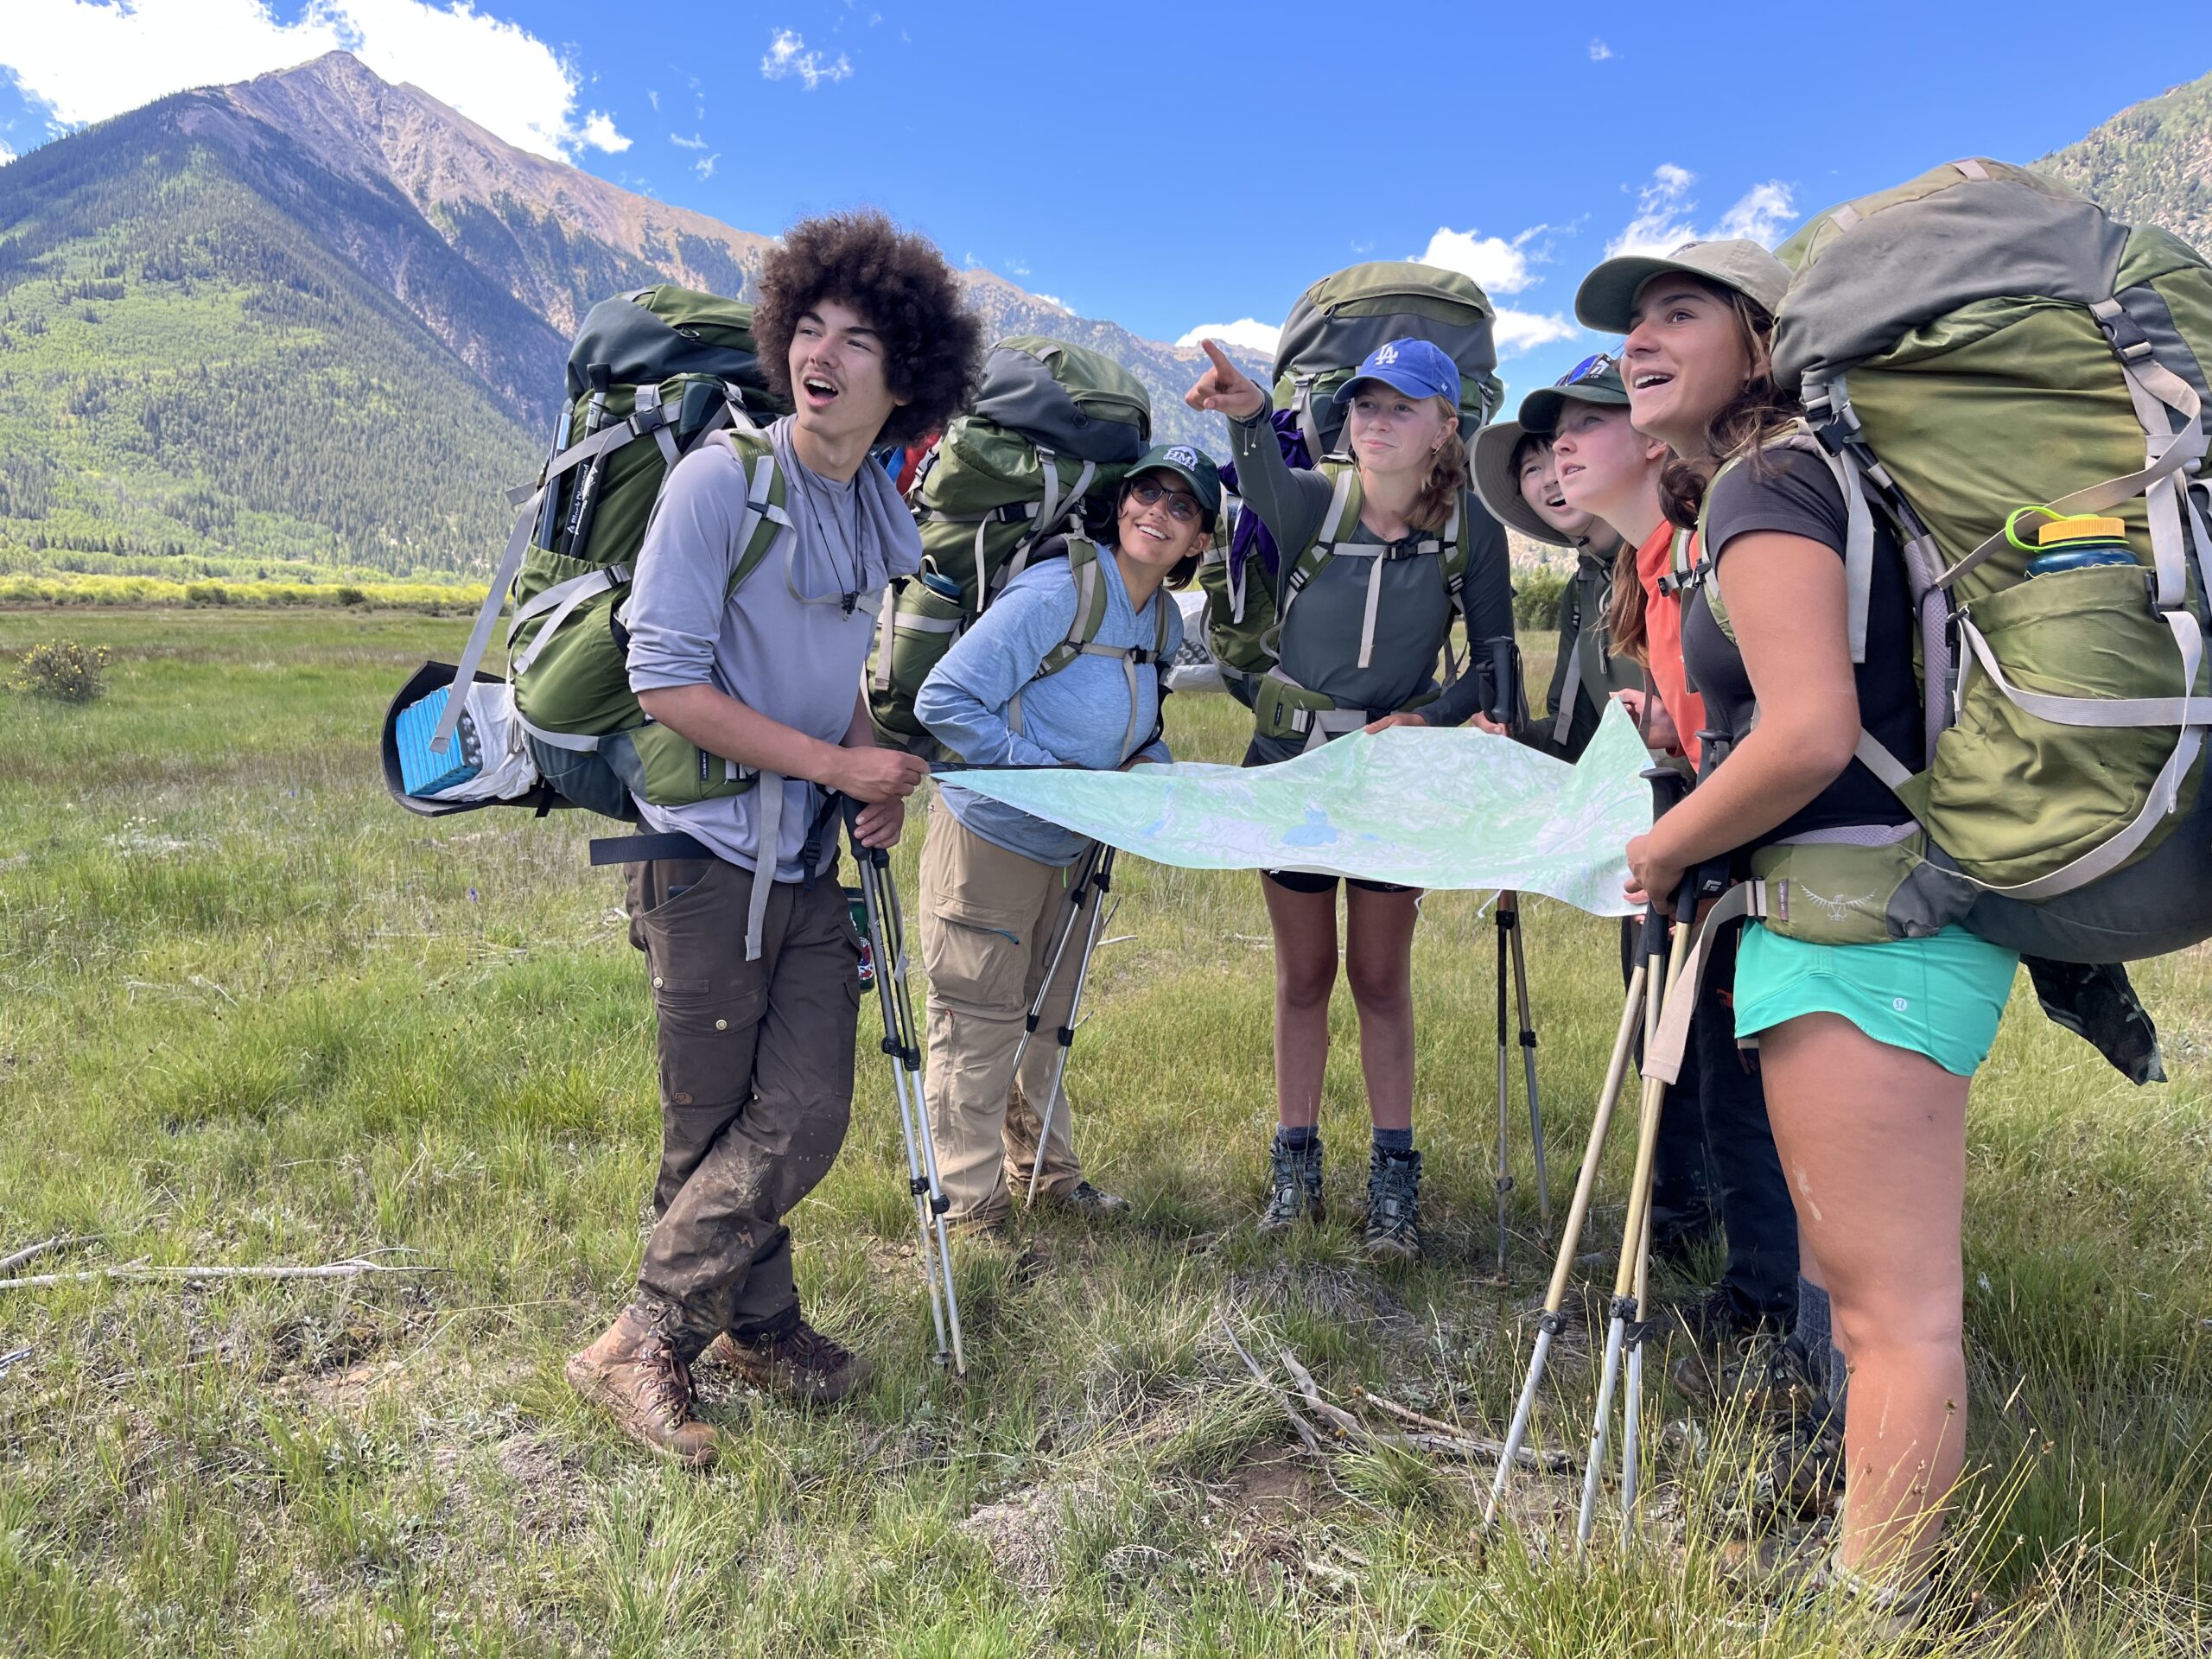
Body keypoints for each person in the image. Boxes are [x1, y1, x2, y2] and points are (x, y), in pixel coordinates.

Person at [1581, 238, 2020, 1623]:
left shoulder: (1773, 483)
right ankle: (1872, 1553)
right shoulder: (1795, 481)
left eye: (1679, 313)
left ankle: (1876, 1609)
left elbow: (1810, 733)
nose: (1641, 340)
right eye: (1634, 322)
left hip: (1859, 921)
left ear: (1761, 344)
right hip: (1847, 916)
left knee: (1892, 1316)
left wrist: (1658, 844)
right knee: (1858, 1288)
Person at [565, 212, 982, 1467]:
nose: (826, 354)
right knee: (716, 1117)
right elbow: (665, 684)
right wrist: (837, 763)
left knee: (799, 1108)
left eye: (860, 340)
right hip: (696, 855)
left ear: (904, 380)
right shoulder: (718, 484)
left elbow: (830, 675)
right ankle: (647, 1344)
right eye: (810, 327)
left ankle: (744, 1330)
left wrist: (873, 773)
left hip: (800, 853)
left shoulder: (872, 514)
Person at [1186, 335, 1518, 1260]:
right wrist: (1251, 412)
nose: (1376, 419)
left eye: (1402, 406)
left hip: (1389, 787)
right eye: (1366, 402)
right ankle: (1292, 1172)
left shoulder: (1471, 530)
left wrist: (1426, 718)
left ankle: (1392, 1185)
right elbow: (1260, 474)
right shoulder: (1313, 503)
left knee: (1378, 980)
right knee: (1302, 979)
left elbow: (1491, 668)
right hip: (1291, 773)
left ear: (1445, 427)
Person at [1526, 351, 1802, 1359]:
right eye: (1552, 431)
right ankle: (1754, 1293)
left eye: (1582, 423)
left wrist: (1674, 832)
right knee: (1721, 1088)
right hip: (1719, 854)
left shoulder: (1702, 551)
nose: (1558, 444)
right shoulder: (1651, 571)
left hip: (1760, 865)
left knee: (1742, 1096)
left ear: (1647, 441)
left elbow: (1785, 725)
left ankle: (1774, 1315)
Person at [911, 445, 1213, 1230]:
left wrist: (1155, 770)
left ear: (1200, 542)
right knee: (978, 1023)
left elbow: (1139, 726)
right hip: (993, 838)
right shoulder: (1062, 589)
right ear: (1122, 504)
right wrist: (1050, 778)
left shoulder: (1164, 620)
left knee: (1046, 1019)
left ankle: (1045, 1175)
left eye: (1182, 508)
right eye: (1147, 492)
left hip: (1074, 848)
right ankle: (968, 1212)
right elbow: (944, 699)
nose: (1158, 513)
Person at [1471, 415, 1638, 761]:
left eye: (1562, 457)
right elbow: (1574, 735)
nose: (1550, 478)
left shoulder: (1670, 558)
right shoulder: (1581, 591)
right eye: (1532, 469)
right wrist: (1517, 734)